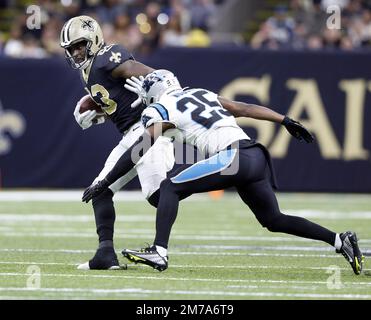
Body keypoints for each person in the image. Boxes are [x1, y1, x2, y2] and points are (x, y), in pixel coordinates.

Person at [81, 69, 365, 275]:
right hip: (254, 154)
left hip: (234, 158)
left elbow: (141, 148)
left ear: (152, 94)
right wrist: (285, 119)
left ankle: (159, 251)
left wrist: (105, 181)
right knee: (273, 219)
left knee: (169, 187)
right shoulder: (201, 93)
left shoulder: (159, 108)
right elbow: (245, 108)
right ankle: (340, 240)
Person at [60, 16, 175, 270]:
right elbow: (117, 99)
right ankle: (105, 254)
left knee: (158, 195)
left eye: (80, 45)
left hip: (149, 131)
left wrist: (160, 92)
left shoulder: (108, 56)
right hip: (130, 135)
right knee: (99, 191)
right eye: (71, 48)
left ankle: (208, 180)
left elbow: (152, 76)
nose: (76, 52)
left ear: (94, 39)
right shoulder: (88, 71)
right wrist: (97, 113)